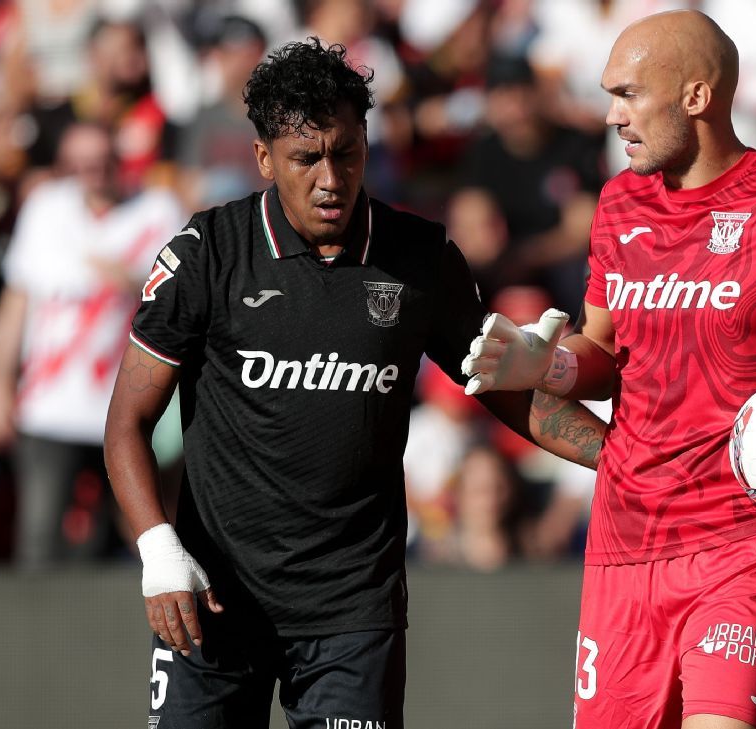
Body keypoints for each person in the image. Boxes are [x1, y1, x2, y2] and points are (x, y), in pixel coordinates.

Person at [103, 38, 604, 729]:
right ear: (263, 158)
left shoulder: (422, 259)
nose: (330, 179)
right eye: (306, 159)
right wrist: (158, 549)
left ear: (367, 145)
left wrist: (624, 456)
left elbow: (510, 394)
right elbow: (126, 422)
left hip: (353, 611)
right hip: (215, 598)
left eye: (345, 153)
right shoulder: (208, 253)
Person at [461, 11, 756, 729]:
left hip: (745, 541)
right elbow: (604, 357)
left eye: (628, 94)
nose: (612, 116)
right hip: (624, 543)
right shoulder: (618, 204)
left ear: (697, 97)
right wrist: (545, 364)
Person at [0, 122, 185, 570]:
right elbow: (17, 300)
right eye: (81, 165)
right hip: (50, 406)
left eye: (102, 161)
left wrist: (131, 280)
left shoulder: (157, 210)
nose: (93, 173)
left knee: (145, 537)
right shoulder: (46, 210)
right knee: (40, 538)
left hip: (131, 407)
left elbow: (182, 302)